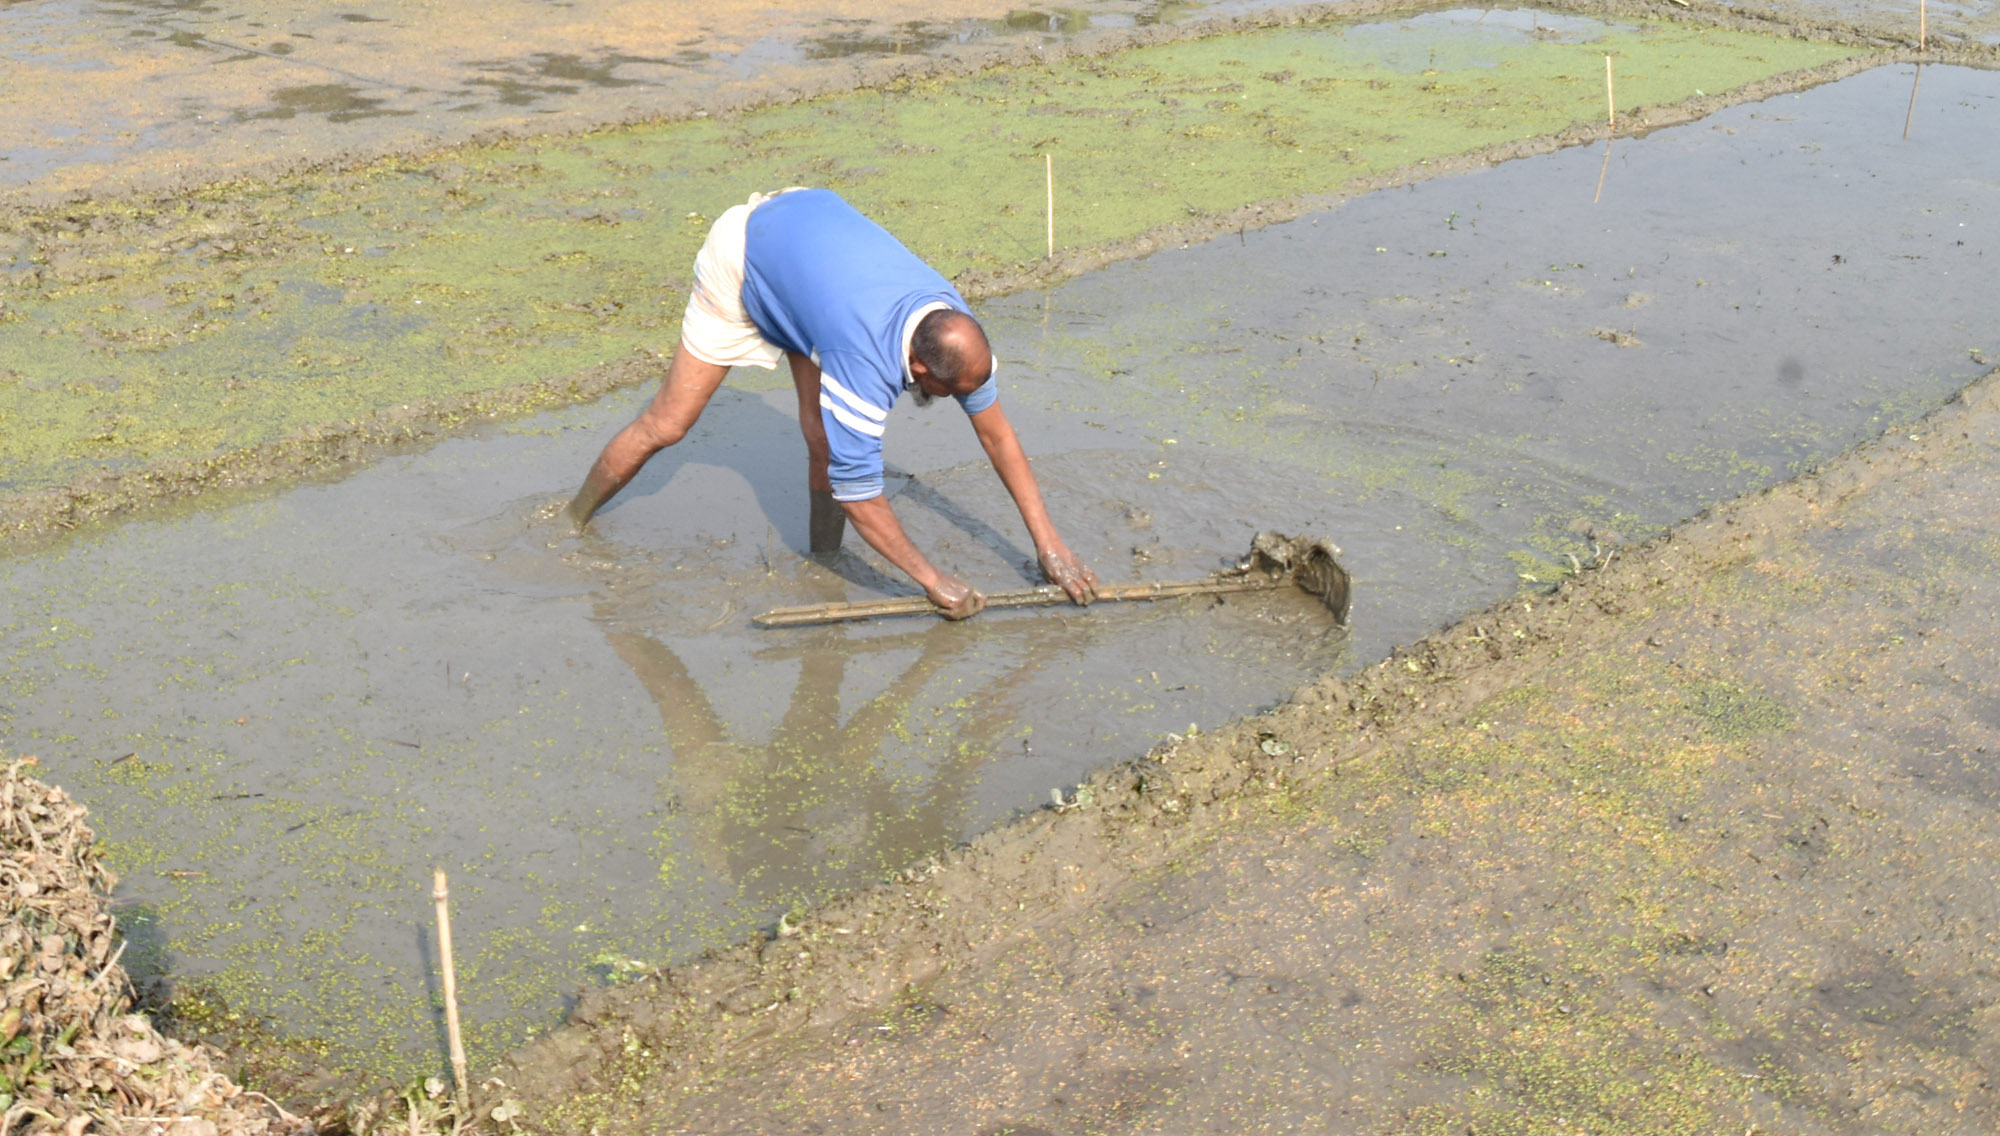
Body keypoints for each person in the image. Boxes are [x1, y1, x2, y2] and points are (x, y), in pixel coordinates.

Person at [566, 187, 1098, 620]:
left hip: (813, 250)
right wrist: (935, 581)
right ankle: (570, 520)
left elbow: (997, 435)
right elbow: (860, 494)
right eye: (951, 393)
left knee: (823, 437)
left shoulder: (955, 329)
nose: (962, 401)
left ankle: (824, 559)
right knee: (669, 423)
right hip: (748, 254)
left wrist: (1049, 545)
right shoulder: (861, 367)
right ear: (919, 370)